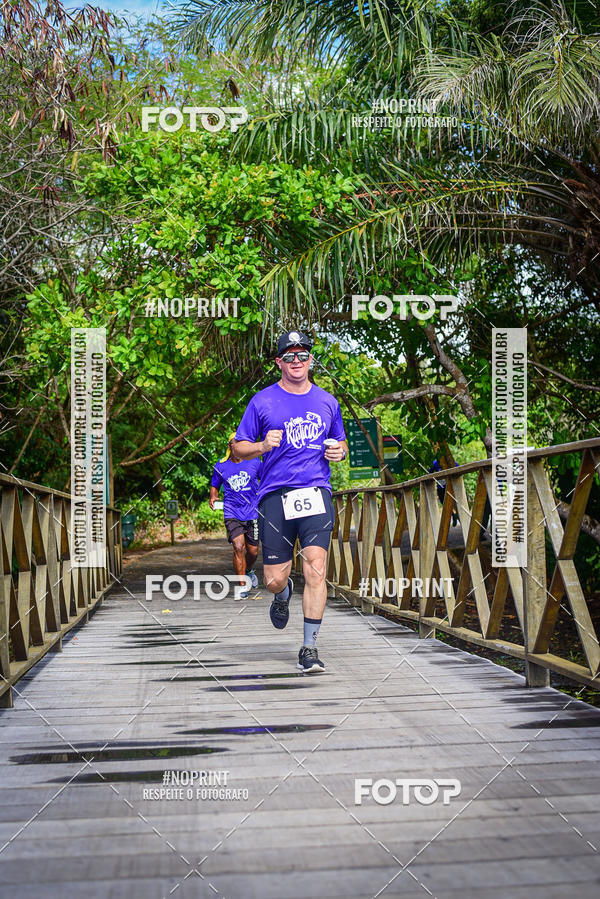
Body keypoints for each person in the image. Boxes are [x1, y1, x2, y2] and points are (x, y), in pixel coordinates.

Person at [232, 330, 348, 673]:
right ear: (279, 362)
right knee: (273, 580)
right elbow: (238, 449)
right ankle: (283, 595)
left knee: (317, 567)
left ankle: (309, 647)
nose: (297, 361)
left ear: (311, 360)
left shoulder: (328, 402)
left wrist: (338, 452)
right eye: (290, 356)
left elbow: (340, 445)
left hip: (316, 493)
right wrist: (263, 446)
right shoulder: (262, 401)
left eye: (303, 355)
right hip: (274, 497)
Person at [209, 433, 262, 597]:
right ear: (230, 446)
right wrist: (213, 496)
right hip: (232, 511)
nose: (238, 446)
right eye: (235, 443)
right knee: (239, 547)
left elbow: (266, 480)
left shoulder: (255, 462)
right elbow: (214, 484)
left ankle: (248, 570)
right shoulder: (221, 465)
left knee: (253, 551)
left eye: (241, 444)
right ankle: (241, 586)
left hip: (252, 511)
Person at [429, 458, 458, 527]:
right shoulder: (435, 463)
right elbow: (429, 471)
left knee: (454, 502)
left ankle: (458, 516)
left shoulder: (448, 460)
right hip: (441, 486)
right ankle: (453, 514)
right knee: (444, 502)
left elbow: (457, 466)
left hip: (450, 485)